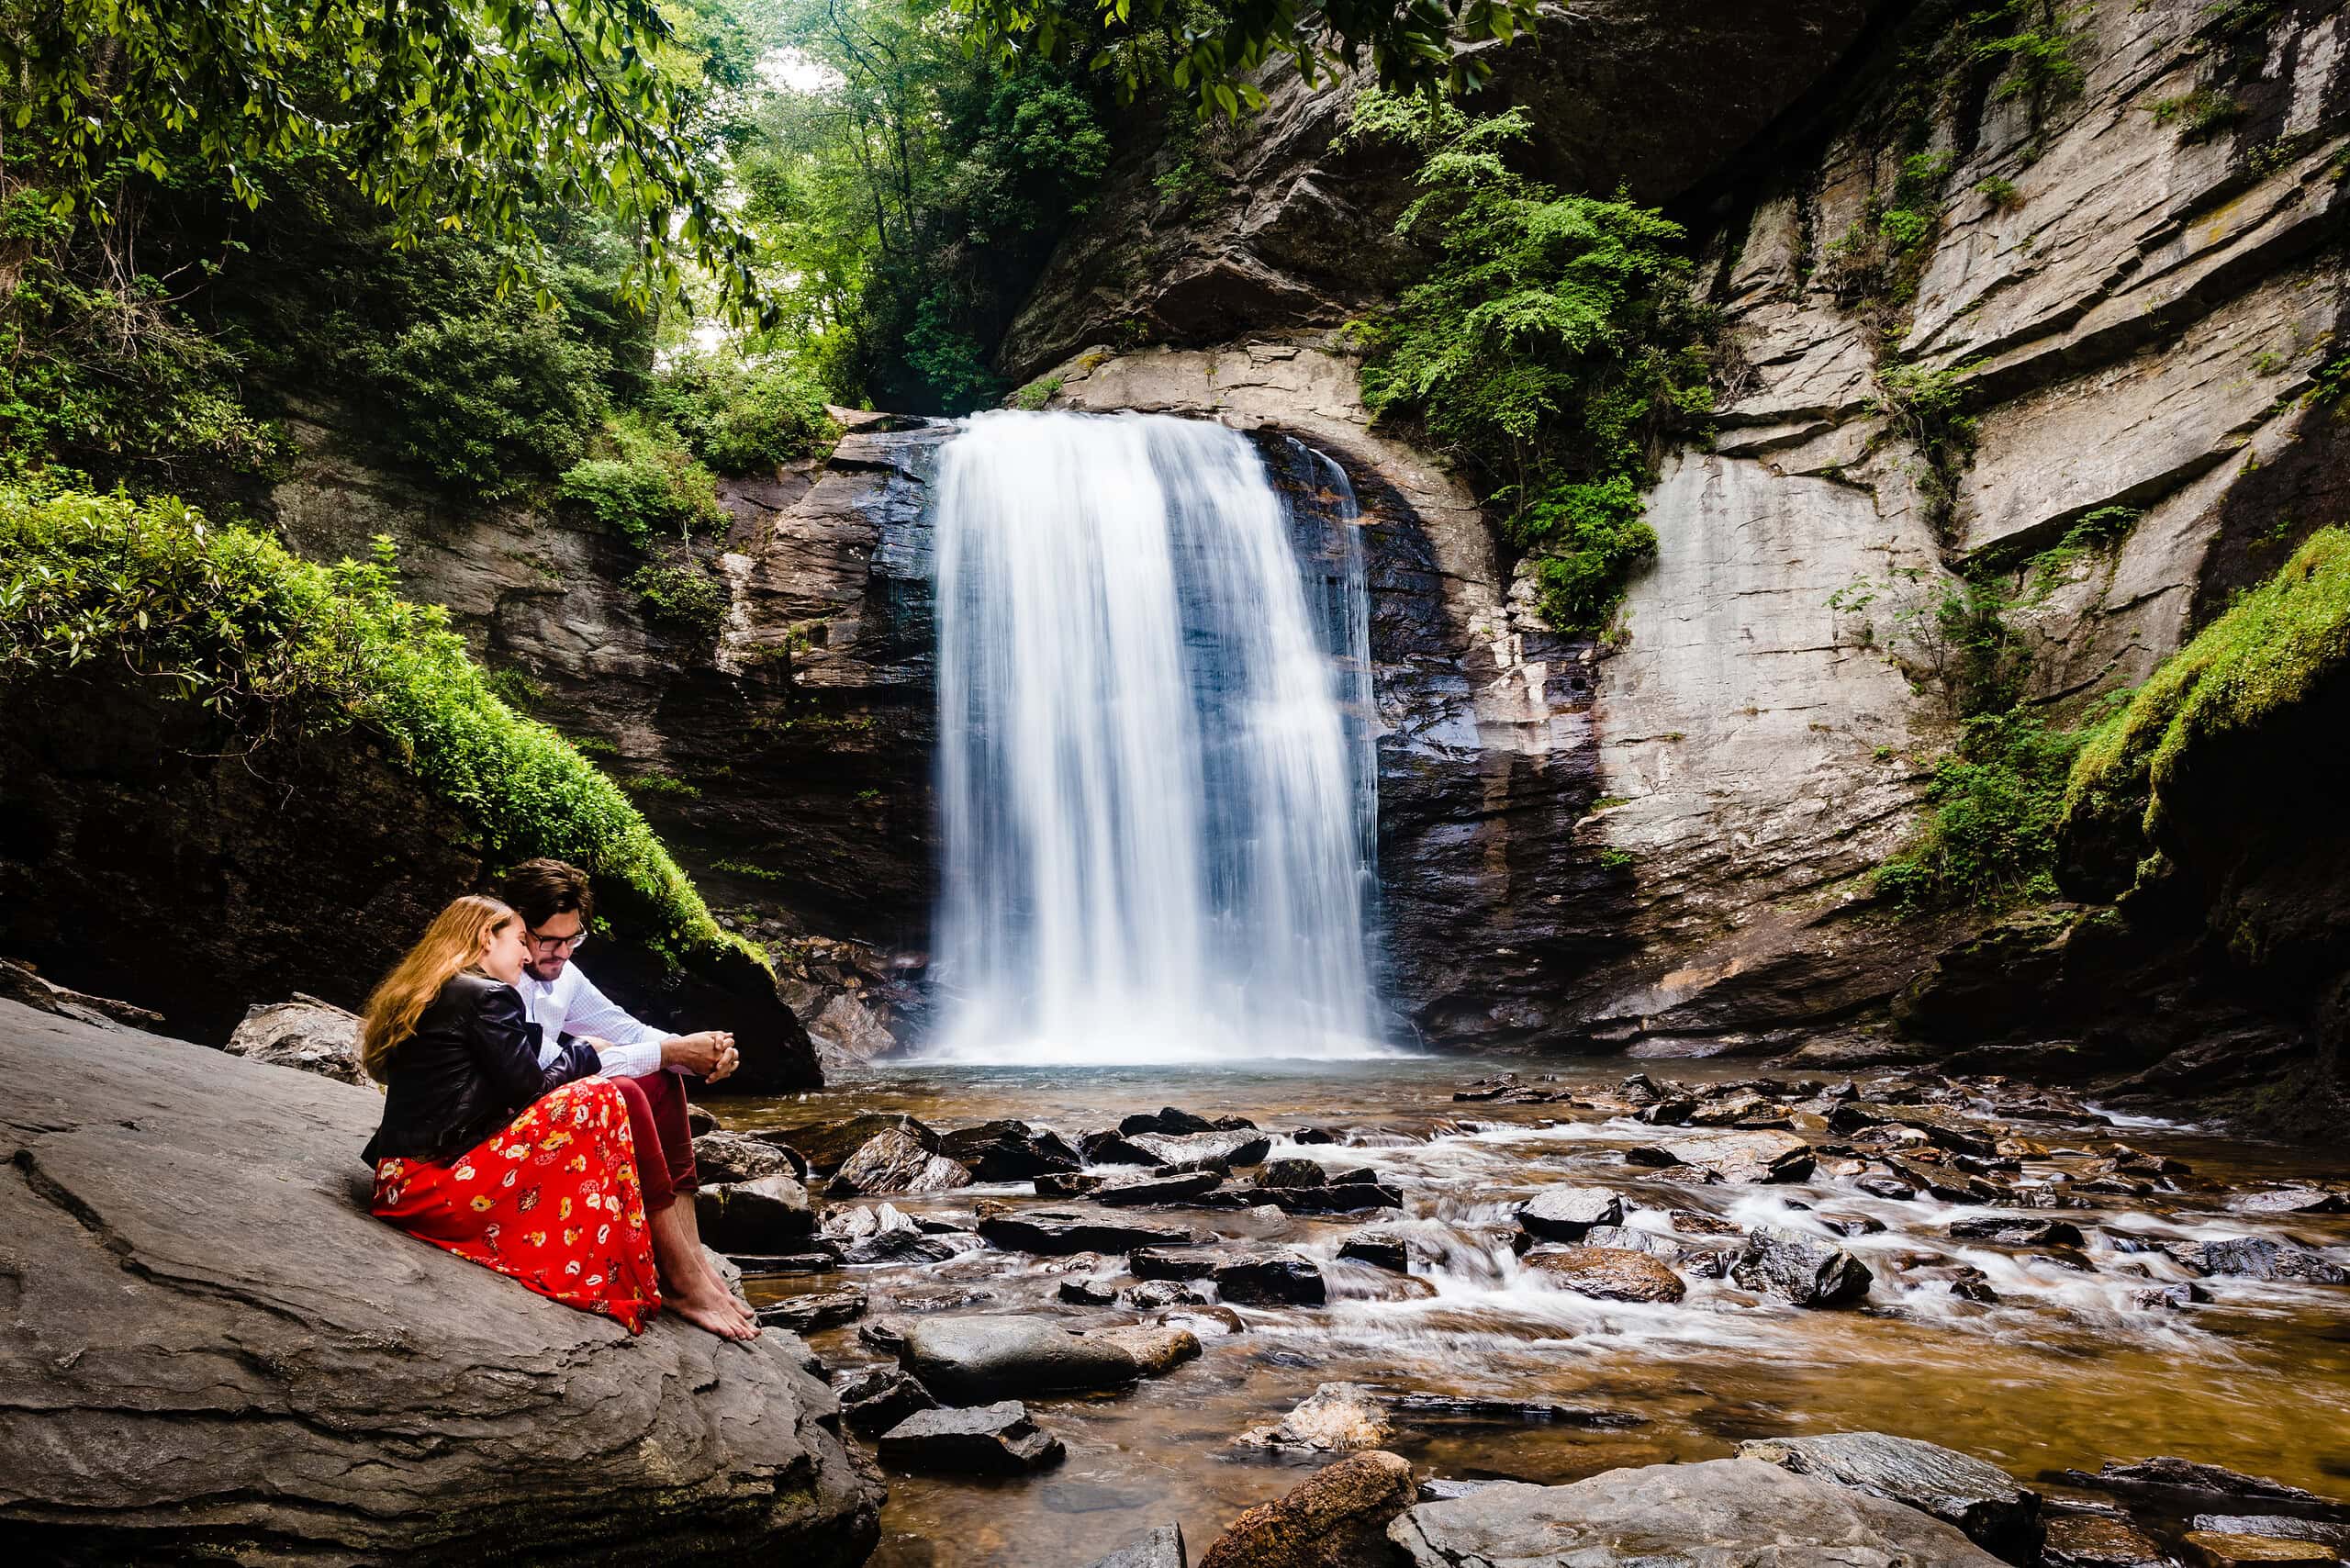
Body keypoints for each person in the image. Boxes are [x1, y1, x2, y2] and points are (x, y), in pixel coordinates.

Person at [495, 858, 757, 1339]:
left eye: (573, 939)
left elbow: (628, 1033)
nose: (561, 954)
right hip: (508, 1125)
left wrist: (698, 1053)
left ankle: (692, 1257)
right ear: (513, 926)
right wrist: (669, 1051)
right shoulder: (496, 984)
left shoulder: (563, 976)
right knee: (633, 1087)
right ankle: (678, 1276)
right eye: (547, 941)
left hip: (551, 1108)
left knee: (662, 1080)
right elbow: (552, 1070)